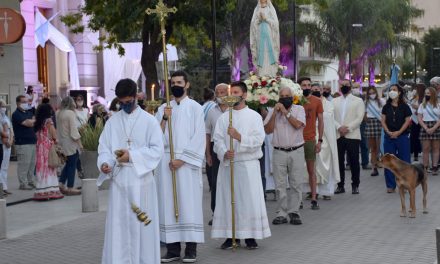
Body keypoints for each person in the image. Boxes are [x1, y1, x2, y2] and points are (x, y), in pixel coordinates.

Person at [97, 79, 164, 264]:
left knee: (141, 225)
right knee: (119, 225)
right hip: (120, 182)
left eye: (128, 102)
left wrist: (132, 156)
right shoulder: (112, 122)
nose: (125, 106)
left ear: (136, 97)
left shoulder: (149, 121)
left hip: (141, 181)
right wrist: (105, 163)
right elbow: (104, 148)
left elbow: (157, 150)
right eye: (121, 103)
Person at [212, 81, 270, 249]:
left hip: (247, 165)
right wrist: (224, 152)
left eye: (236, 92)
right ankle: (231, 235)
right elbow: (217, 141)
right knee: (229, 200)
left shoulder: (254, 116)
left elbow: (259, 140)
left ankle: (251, 236)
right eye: (231, 92)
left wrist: (239, 137)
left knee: (248, 200)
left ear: (244, 95)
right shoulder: (223, 118)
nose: (232, 95)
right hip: (229, 165)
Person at [155, 71, 205, 263]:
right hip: (167, 163)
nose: (175, 85)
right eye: (173, 82)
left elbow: (199, 136)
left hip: (186, 163)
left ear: (187, 84)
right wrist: (165, 118)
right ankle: (172, 249)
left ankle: (191, 249)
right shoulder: (163, 109)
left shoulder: (195, 108)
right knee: (168, 203)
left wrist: (183, 159)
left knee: (188, 203)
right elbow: (155, 135)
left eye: (179, 82)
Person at [264, 86, 306, 225]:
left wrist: (286, 113)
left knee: (296, 183)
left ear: (292, 97)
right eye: (282, 95)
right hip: (279, 151)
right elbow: (268, 130)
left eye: (287, 95)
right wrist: (275, 114)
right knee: (280, 184)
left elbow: (297, 125)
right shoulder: (273, 111)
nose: (285, 98)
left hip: (297, 150)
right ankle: (281, 213)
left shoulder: (299, 109)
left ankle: (294, 212)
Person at [308, 84, 340, 200]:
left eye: (317, 90)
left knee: (324, 165)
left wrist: (316, 117)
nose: (315, 91)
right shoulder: (307, 102)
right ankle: (313, 191)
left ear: (321, 91)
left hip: (324, 138)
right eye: (313, 90)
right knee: (312, 166)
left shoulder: (329, 104)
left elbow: (327, 117)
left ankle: (325, 191)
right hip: (311, 136)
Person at [333, 80, 365, 195]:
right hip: (338, 135)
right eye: (342, 85)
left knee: (354, 161)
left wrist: (347, 128)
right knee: (339, 161)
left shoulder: (358, 100)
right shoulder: (334, 101)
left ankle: (355, 185)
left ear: (350, 87)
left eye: (346, 85)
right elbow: (331, 117)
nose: (344, 87)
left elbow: (359, 118)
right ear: (339, 87)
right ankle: (340, 185)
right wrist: (338, 128)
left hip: (352, 135)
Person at [297, 77, 323, 209]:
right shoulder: (295, 100)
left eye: (308, 85)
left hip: (310, 139)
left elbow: (321, 122)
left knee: (311, 170)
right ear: (299, 86)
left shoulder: (317, 101)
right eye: (304, 85)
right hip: (295, 140)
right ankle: (298, 199)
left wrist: (320, 141)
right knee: (296, 172)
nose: (306, 87)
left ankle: (314, 198)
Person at [381, 84, 412, 193]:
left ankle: (406, 183)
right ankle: (390, 185)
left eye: (394, 90)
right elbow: (383, 120)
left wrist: (399, 132)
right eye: (390, 90)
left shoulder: (405, 106)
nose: (392, 92)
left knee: (404, 160)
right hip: (389, 137)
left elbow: (407, 121)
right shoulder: (386, 106)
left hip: (402, 136)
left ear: (399, 92)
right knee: (388, 161)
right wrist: (388, 131)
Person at [205, 83, 229, 225]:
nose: (221, 94)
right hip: (215, 148)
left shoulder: (234, 109)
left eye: (223, 92)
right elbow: (207, 133)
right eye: (218, 92)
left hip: (231, 147)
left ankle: (229, 212)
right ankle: (216, 213)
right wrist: (207, 154)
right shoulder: (211, 111)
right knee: (215, 182)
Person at [33, 103, 64, 201]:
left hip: (40, 146)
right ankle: (51, 190)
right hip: (48, 147)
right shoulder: (49, 121)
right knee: (50, 167)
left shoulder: (37, 122)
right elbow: (54, 135)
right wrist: (56, 142)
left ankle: (41, 191)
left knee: (41, 169)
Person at [57, 97, 82, 195]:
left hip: (62, 142)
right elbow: (74, 131)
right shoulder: (70, 113)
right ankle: (70, 187)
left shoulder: (59, 113)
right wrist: (80, 144)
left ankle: (61, 183)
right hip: (70, 142)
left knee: (68, 163)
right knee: (72, 164)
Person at [12, 95, 36, 190]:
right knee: (24, 164)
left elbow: (33, 121)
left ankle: (31, 181)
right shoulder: (16, 114)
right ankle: (23, 183)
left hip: (32, 141)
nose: (26, 103)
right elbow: (28, 123)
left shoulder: (28, 112)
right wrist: (32, 121)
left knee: (32, 164)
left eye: (27, 101)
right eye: (24, 102)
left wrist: (32, 121)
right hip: (22, 143)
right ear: (18, 103)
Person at [250, 0, 280, 77]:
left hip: (270, 34)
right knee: (260, 52)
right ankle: (261, 74)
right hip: (259, 34)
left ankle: (271, 73)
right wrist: (259, 19)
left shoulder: (270, 9)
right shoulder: (256, 9)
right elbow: (253, 25)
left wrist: (266, 18)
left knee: (270, 52)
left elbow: (275, 24)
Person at [417, 87, 440, 174]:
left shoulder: (438, 104)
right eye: (426, 93)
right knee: (425, 148)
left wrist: (434, 128)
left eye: (429, 93)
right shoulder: (422, 105)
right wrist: (426, 128)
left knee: (436, 148)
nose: (427, 95)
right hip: (425, 126)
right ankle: (425, 167)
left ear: (433, 94)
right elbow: (419, 118)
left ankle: (434, 167)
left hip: (436, 126)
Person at [364, 86, 386, 177]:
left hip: (380, 123)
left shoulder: (381, 101)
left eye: (373, 93)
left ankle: (382, 164)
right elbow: (364, 115)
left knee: (380, 146)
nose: (372, 95)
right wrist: (367, 121)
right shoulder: (365, 103)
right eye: (370, 93)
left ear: (376, 93)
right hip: (370, 123)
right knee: (372, 148)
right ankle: (374, 167)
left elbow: (384, 113)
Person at [74, 95, 89, 180]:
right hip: (77, 132)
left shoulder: (86, 110)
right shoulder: (74, 111)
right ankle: (79, 170)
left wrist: (85, 127)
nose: (80, 101)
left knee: (84, 151)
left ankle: (85, 169)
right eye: (78, 99)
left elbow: (87, 120)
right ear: (75, 101)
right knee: (78, 152)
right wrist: (79, 129)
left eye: (81, 99)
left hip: (85, 132)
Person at [409, 84, 425, 161]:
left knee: (421, 138)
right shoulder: (414, 98)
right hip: (414, 120)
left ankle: (421, 151)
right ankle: (415, 154)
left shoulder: (425, 98)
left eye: (417, 89)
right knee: (414, 137)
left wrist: (417, 108)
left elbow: (426, 108)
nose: (416, 90)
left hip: (423, 121)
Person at [0, 100, 12, 196]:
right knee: (1, 167)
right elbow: (2, 132)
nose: (4, 108)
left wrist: (11, 140)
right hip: (3, 143)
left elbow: (10, 129)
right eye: (3, 106)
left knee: (5, 167)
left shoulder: (6, 117)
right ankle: (2, 187)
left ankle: (4, 187)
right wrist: (6, 140)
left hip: (8, 143)